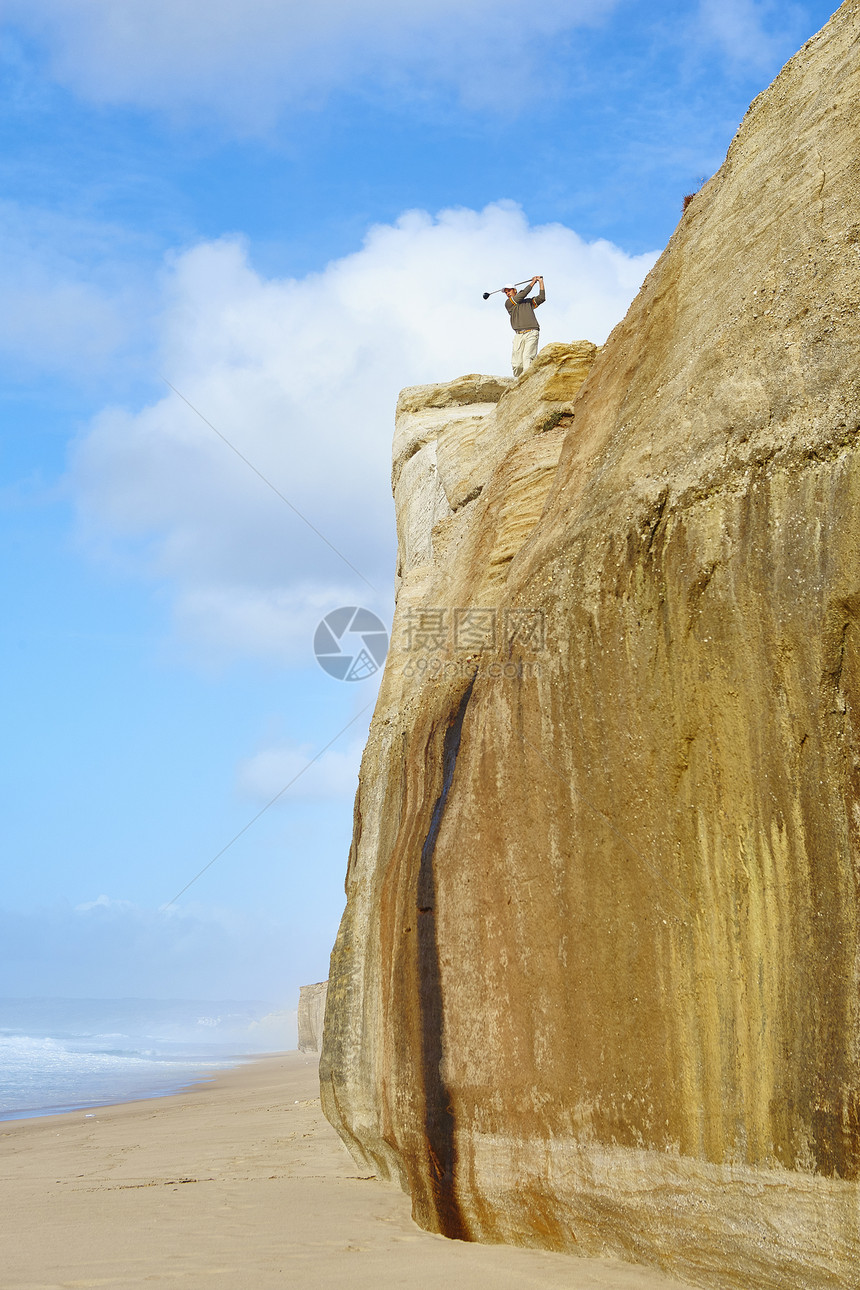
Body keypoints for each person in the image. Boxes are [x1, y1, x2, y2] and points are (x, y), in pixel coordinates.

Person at [504, 276, 545, 377]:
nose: (507, 293)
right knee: (517, 365)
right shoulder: (509, 303)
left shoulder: (528, 302)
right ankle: (518, 386)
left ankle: (528, 384)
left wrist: (540, 282)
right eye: (506, 292)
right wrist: (533, 282)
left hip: (532, 333)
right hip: (519, 335)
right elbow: (523, 294)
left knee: (527, 359)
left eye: (509, 290)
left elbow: (541, 298)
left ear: (515, 290)